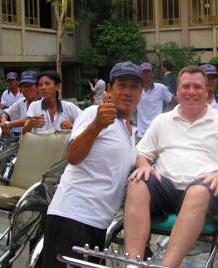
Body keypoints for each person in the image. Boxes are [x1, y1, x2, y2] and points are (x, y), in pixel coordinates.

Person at [124, 65, 218, 268]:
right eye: (186, 86)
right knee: (137, 182)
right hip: (167, 188)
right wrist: (143, 165)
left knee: (197, 190)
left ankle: (167, 266)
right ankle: (133, 264)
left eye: (197, 86)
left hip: (207, 190)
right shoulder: (162, 121)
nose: (191, 91)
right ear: (177, 92)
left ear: (207, 92)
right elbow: (141, 153)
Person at [41, 61, 143, 268]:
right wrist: (96, 125)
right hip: (73, 216)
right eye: (122, 85)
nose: (128, 92)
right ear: (109, 90)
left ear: (141, 92)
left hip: (100, 224)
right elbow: (73, 156)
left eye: (134, 86)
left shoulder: (131, 130)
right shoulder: (93, 114)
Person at [22, 70, 81, 135]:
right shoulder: (34, 106)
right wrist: (30, 124)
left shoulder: (68, 107)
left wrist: (73, 126)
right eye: (40, 85)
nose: (43, 88)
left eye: (47, 84)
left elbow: (87, 123)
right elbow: (24, 133)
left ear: (57, 86)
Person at [0, 71, 42, 136]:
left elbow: (28, 120)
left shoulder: (43, 103)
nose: (26, 89)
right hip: (23, 141)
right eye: (24, 86)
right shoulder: (22, 102)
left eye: (30, 86)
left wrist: (5, 124)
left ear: (38, 88)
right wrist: (3, 120)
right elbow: (6, 112)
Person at [136, 62, 173, 142]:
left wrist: (164, 114)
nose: (146, 74)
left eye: (148, 71)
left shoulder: (160, 88)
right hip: (141, 133)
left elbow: (170, 100)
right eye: (143, 72)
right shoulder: (136, 90)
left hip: (156, 131)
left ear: (153, 73)